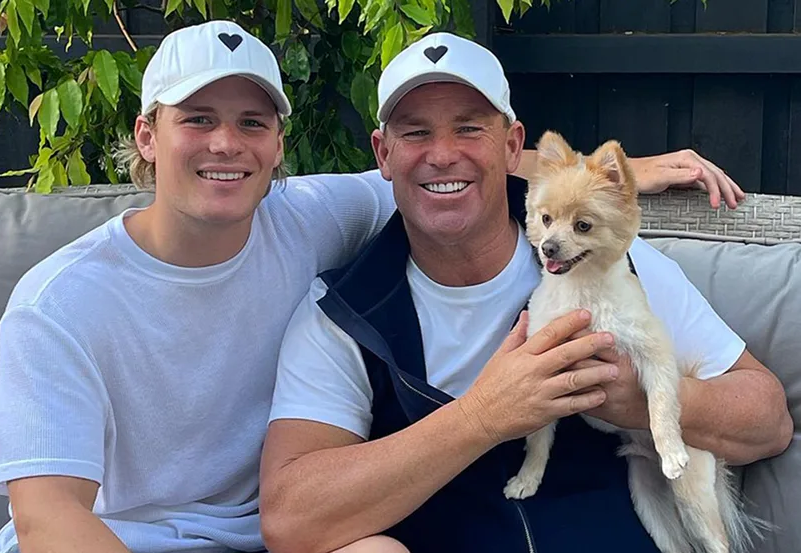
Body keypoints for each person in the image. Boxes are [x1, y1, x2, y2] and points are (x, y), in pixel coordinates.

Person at [0, 19, 752, 553]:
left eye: (252, 122)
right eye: (197, 118)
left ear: (278, 145)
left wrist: (619, 182)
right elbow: (51, 520)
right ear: (148, 135)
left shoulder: (312, 214)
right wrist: (487, 412)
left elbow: (459, 173)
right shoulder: (60, 303)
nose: (227, 143)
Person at [258, 31, 793, 553]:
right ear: (383, 154)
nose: (442, 155)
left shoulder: (617, 263)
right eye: (416, 133)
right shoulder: (344, 314)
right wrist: (482, 417)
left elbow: (768, 419)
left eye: (469, 129)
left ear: (513, 146)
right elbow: (289, 519)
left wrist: (640, 401)